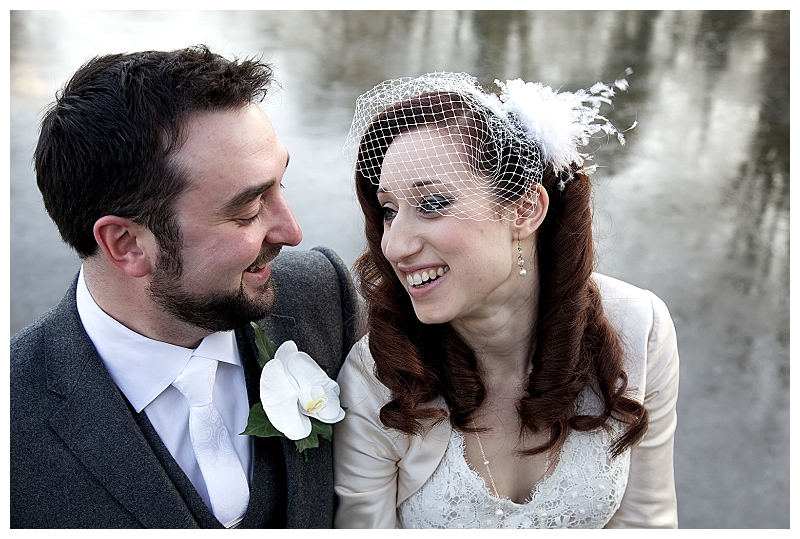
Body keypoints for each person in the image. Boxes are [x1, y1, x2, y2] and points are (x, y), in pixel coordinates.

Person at [10, 45, 360, 529]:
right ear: (128, 243)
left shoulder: (324, 295)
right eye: (248, 211)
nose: (292, 232)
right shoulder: (14, 418)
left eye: (281, 184)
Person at [333, 72, 679, 528]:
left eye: (432, 203)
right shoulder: (379, 373)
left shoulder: (640, 328)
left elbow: (647, 524)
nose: (394, 246)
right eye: (388, 211)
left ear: (524, 210)